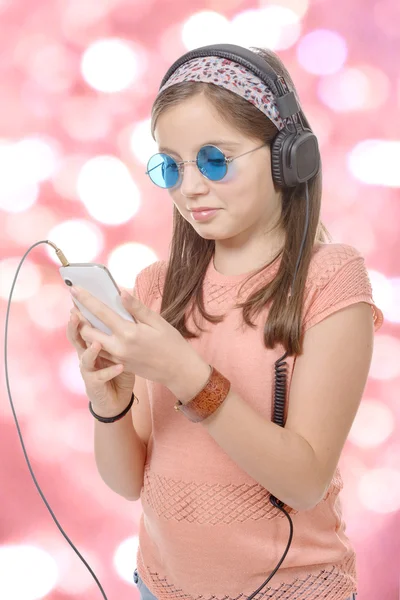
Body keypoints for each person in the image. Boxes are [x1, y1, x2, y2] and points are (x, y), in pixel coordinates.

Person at [66, 45, 384, 600]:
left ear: (290, 157)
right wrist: (109, 398)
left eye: (215, 160)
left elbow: (304, 481)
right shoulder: (157, 287)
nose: (189, 187)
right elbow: (126, 482)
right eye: (171, 166)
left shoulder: (330, 281)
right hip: (160, 587)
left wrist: (187, 374)